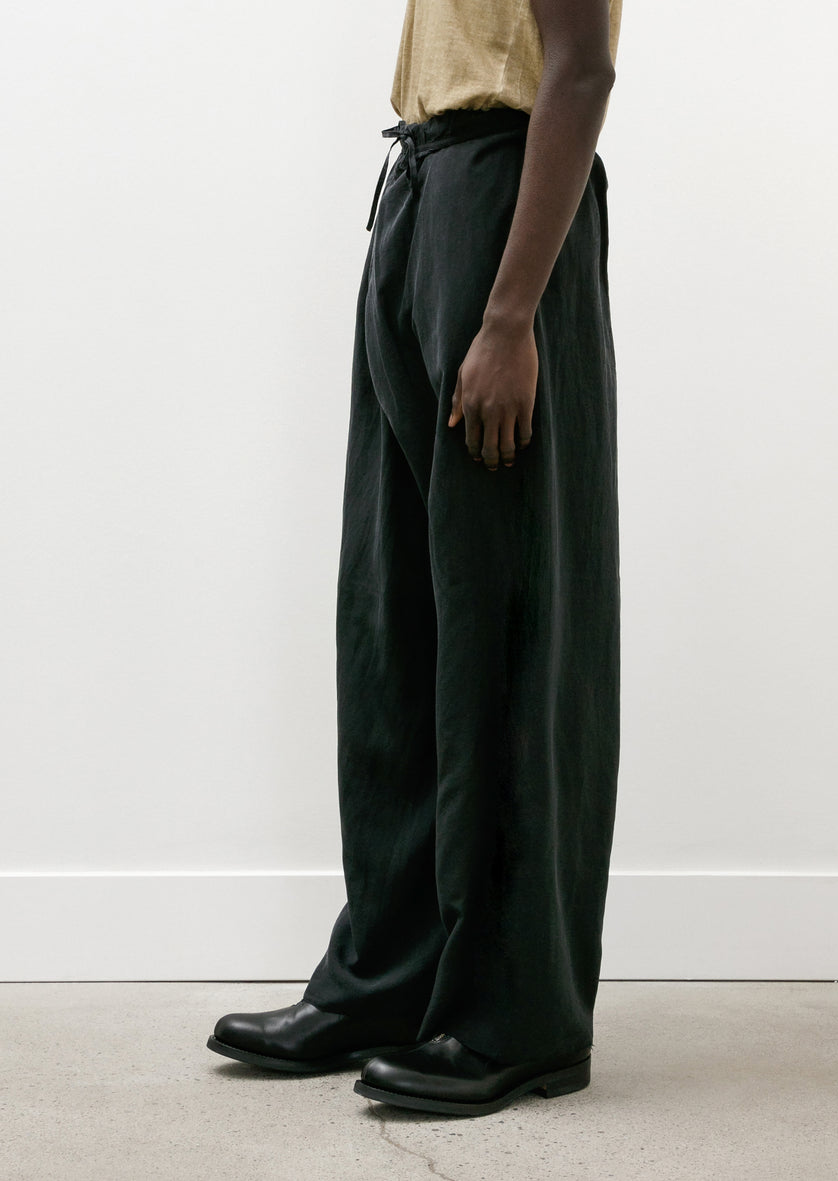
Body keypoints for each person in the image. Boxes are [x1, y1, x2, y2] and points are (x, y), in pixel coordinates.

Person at [207, 0, 623, 1117]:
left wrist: (511, 317)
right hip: (422, 189)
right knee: (393, 619)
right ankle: (388, 978)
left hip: (505, 203)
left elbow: (581, 70)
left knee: (508, 624)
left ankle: (517, 1017)